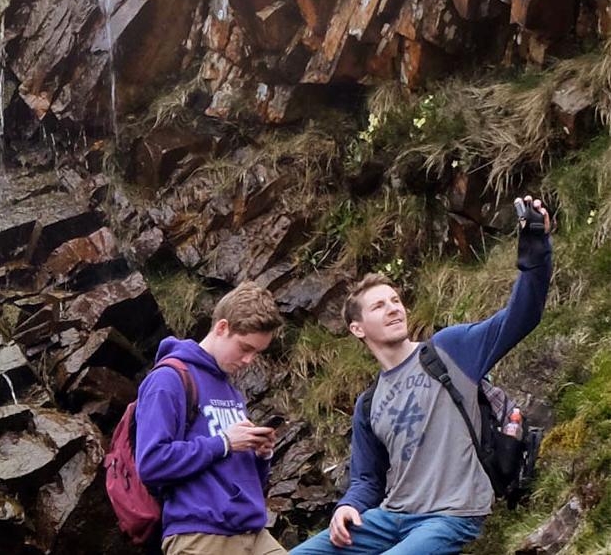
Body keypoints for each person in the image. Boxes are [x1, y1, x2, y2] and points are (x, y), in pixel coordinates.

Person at [290, 195, 555, 555]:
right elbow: (367, 479)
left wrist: (535, 255)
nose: (393, 308)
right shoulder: (368, 404)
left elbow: (521, 317)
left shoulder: (450, 349)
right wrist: (347, 507)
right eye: (379, 306)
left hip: (451, 515)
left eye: (396, 300)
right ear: (357, 328)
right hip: (390, 519)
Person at [137, 281, 289, 555]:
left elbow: (241, 473)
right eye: (245, 348)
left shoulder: (231, 391)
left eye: (256, 352)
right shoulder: (168, 380)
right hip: (200, 535)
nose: (248, 360)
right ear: (221, 327)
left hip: (253, 532)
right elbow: (150, 462)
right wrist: (224, 443)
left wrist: (261, 455)